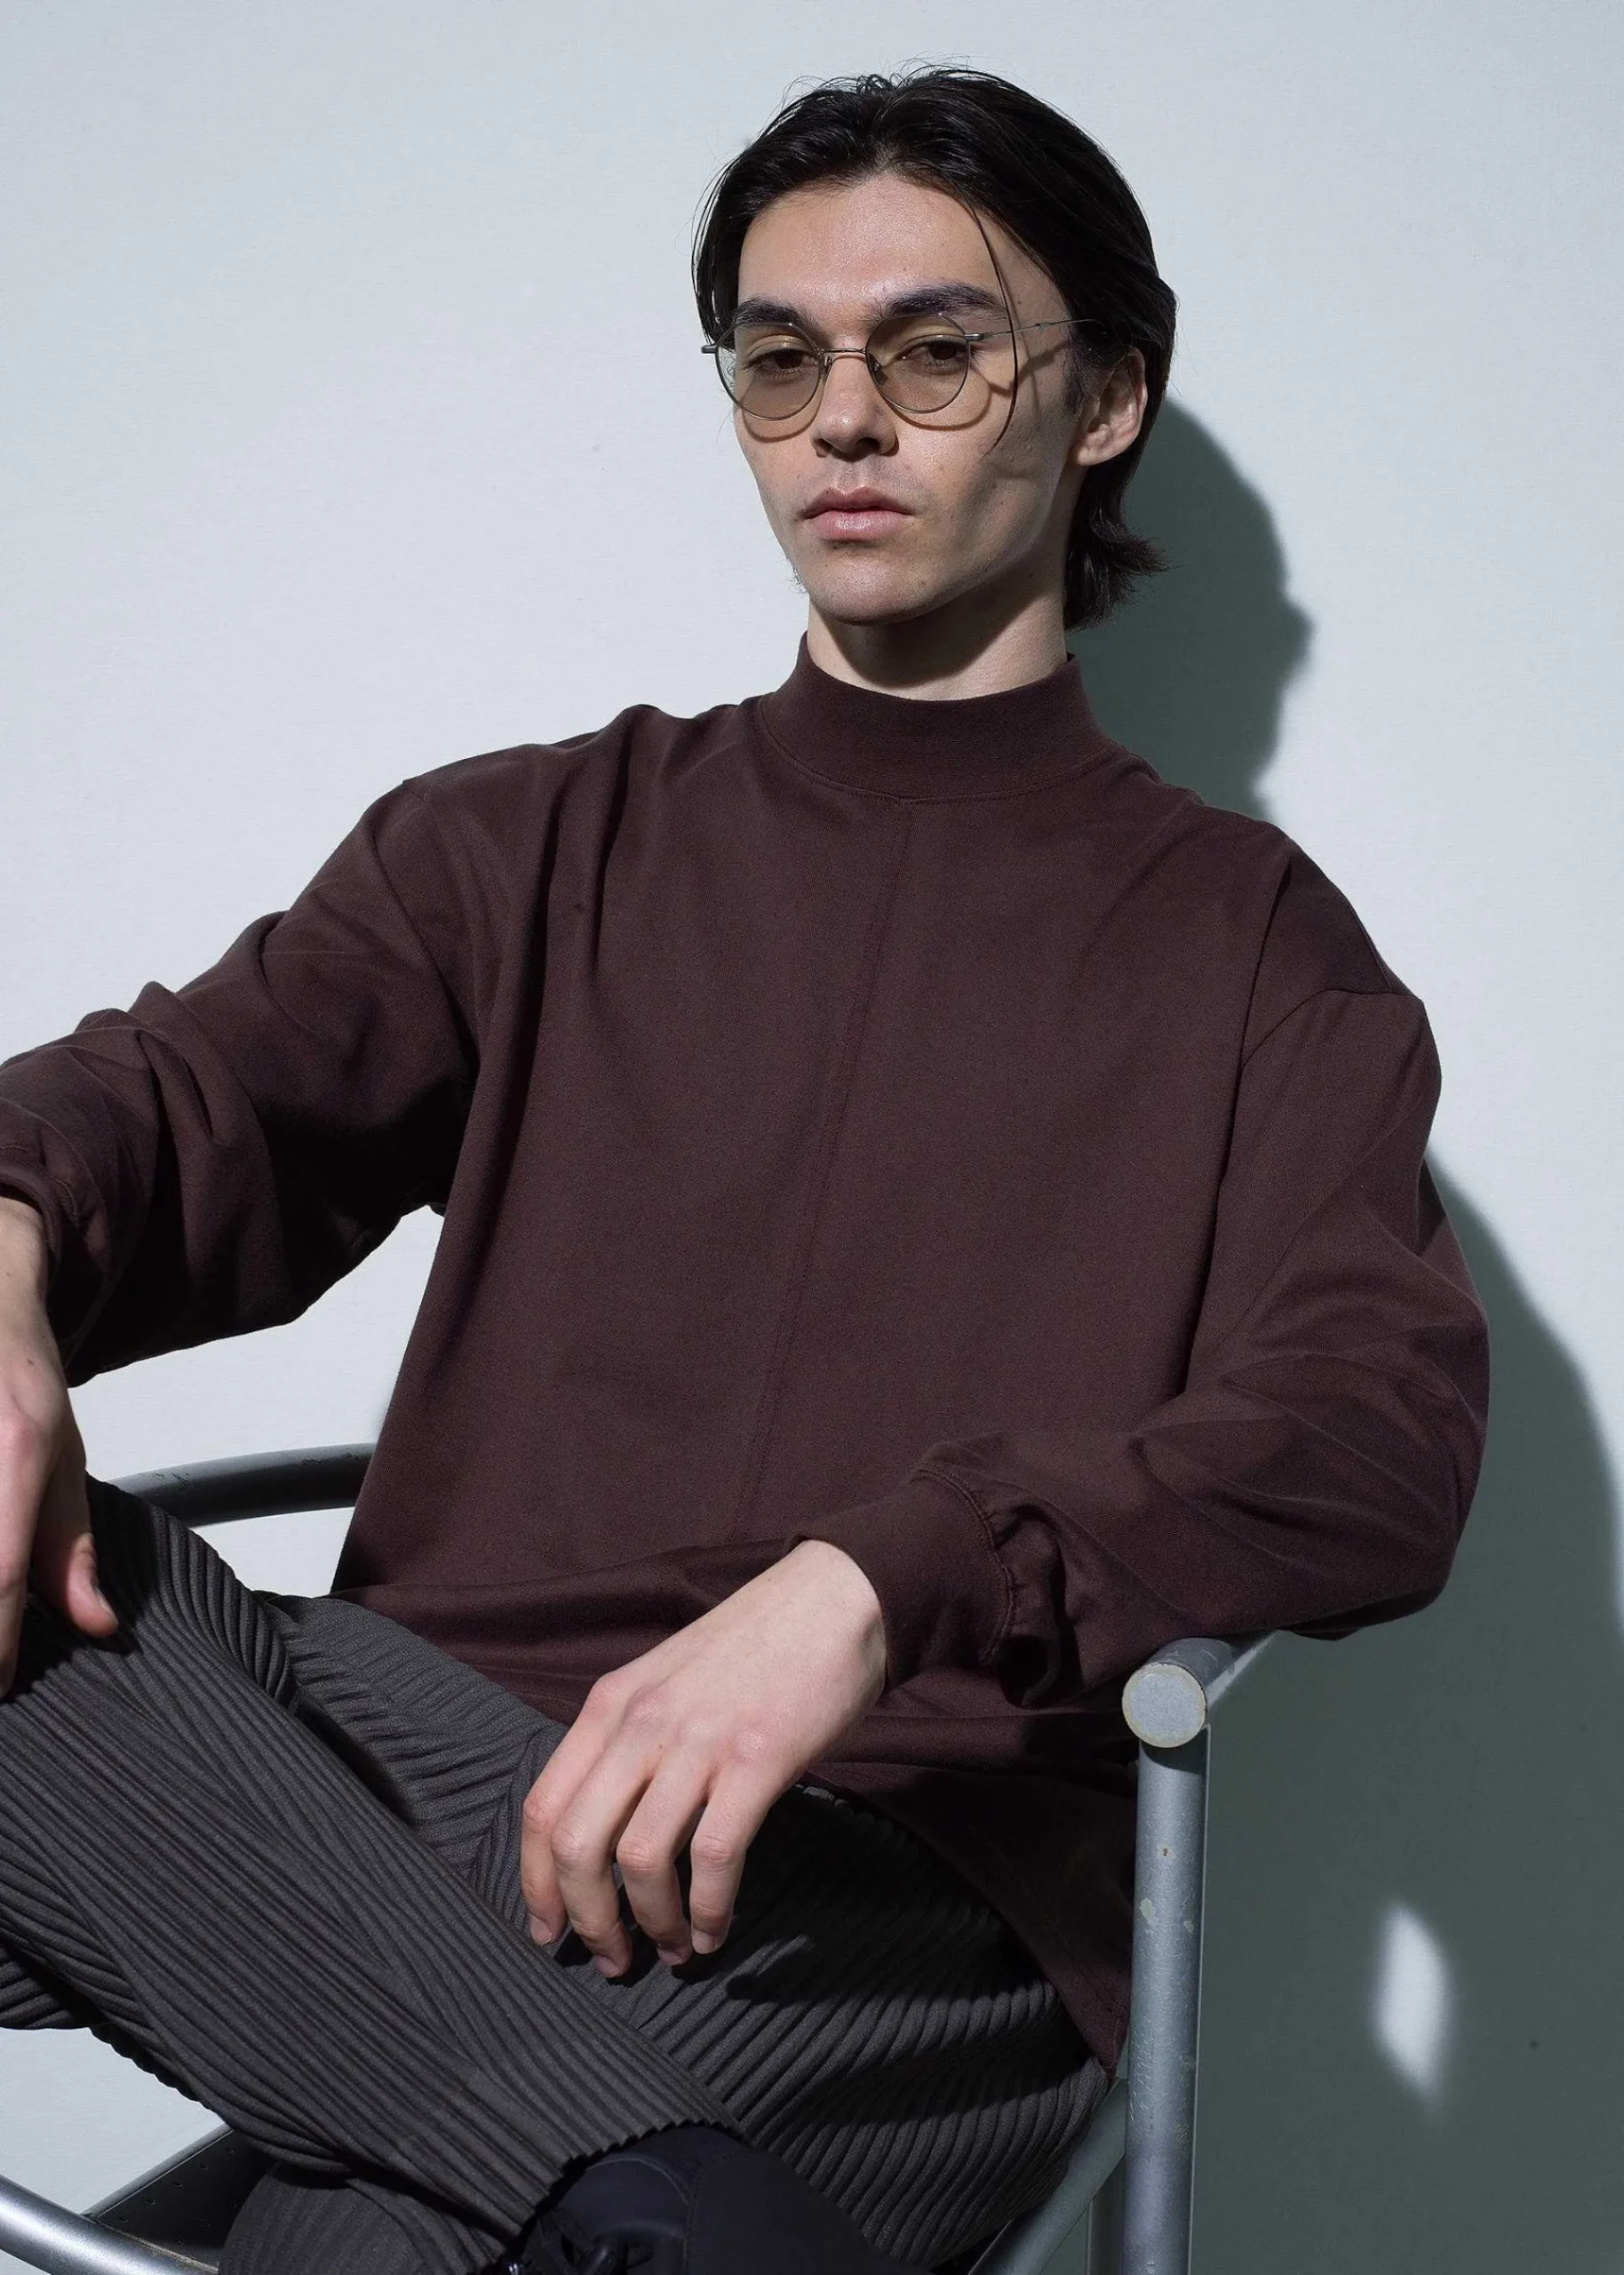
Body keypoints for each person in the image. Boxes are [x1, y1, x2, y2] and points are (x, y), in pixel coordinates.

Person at [0, 64, 1489, 2275]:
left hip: (893, 1878)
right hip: (400, 1786)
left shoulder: (1253, 950)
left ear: (1100, 399)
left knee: (371, 2236)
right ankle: (640, 2190)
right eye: (779, 359)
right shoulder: (526, 843)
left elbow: (1368, 1429)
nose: (842, 419)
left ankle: (571, 2162)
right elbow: (182, 1101)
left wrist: (875, 1578)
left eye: (933, 349)